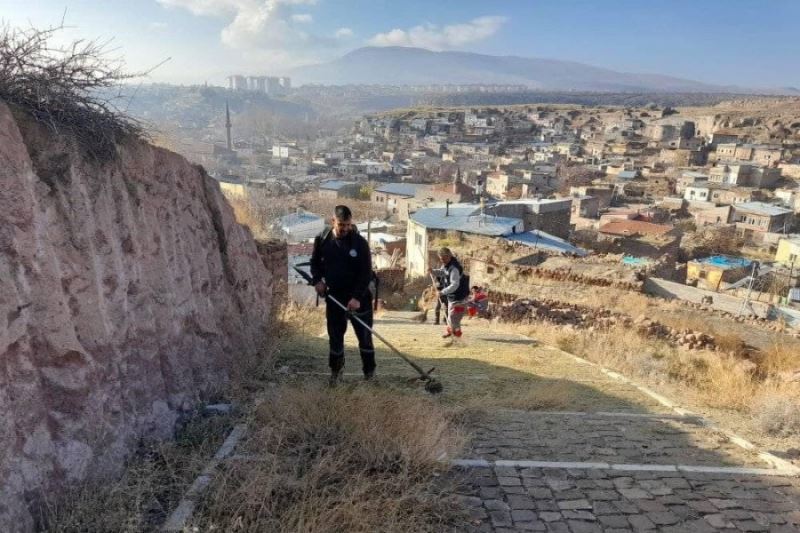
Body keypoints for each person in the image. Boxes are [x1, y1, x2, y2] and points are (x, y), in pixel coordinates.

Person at [310, 205, 375, 386]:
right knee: (335, 337)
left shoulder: (359, 243)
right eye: (342, 224)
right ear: (333, 221)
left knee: (365, 338)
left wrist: (356, 298)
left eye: (348, 224)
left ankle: (369, 373)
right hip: (335, 297)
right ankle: (336, 372)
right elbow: (314, 263)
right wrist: (317, 281)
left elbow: (366, 274)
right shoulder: (322, 239)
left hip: (359, 299)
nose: (345, 228)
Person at [429, 247, 470, 339]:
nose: (442, 260)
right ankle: (453, 332)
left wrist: (442, 292)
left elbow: (455, 284)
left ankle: (456, 335)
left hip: (460, 297)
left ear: (449, 256)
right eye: (440, 259)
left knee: (453, 318)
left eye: (443, 258)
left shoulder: (454, 268)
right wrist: (433, 271)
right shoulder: (446, 265)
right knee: (452, 318)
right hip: (452, 297)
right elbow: (442, 272)